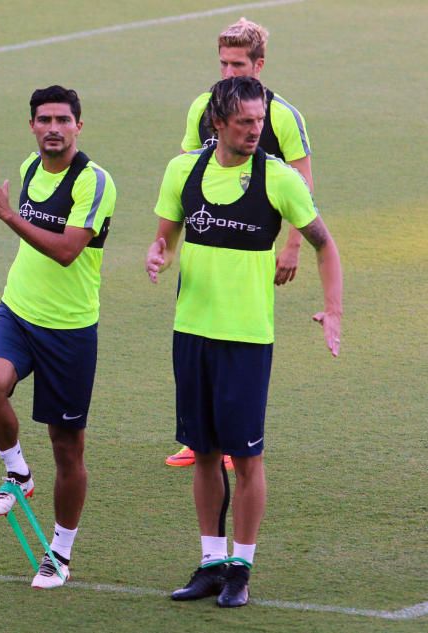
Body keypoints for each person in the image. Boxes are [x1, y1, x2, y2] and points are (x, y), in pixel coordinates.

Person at [146, 76, 342, 607]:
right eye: (245, 122)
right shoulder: (182, 171)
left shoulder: (277, 179)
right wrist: (158, 253)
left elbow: (326, 245)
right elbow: (166, 234)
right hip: (191, 332)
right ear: (218, 123)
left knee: (246, 458)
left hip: (247, 339)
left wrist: (333, 310)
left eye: (259, 120)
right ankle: (211, 563)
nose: (256, 130)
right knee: (204, 452)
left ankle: (241, 568)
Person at [0, 85, 116, 589]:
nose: (53, 128)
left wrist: (8, 214)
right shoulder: (31, 168)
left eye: (62, 119)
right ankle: (17, 472)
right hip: (17, 312)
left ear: (80, 125)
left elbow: (66, 251)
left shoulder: (95, 183)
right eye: (43, 120)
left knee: (67, 447)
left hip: (70, 330)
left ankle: (60, 551)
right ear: (32, 126)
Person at [167, 17, 315, 469]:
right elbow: (188, 167)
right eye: (223, 63)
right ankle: (198, 439)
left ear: (259, 65)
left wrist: (291, 247)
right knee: (194, 335)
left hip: (253, 246)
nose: (228, 72)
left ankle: (236, 441)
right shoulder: (202, 107)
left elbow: (303, 184)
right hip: (205, 245)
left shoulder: (282, 115)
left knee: (240, 338)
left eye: (237, 64)